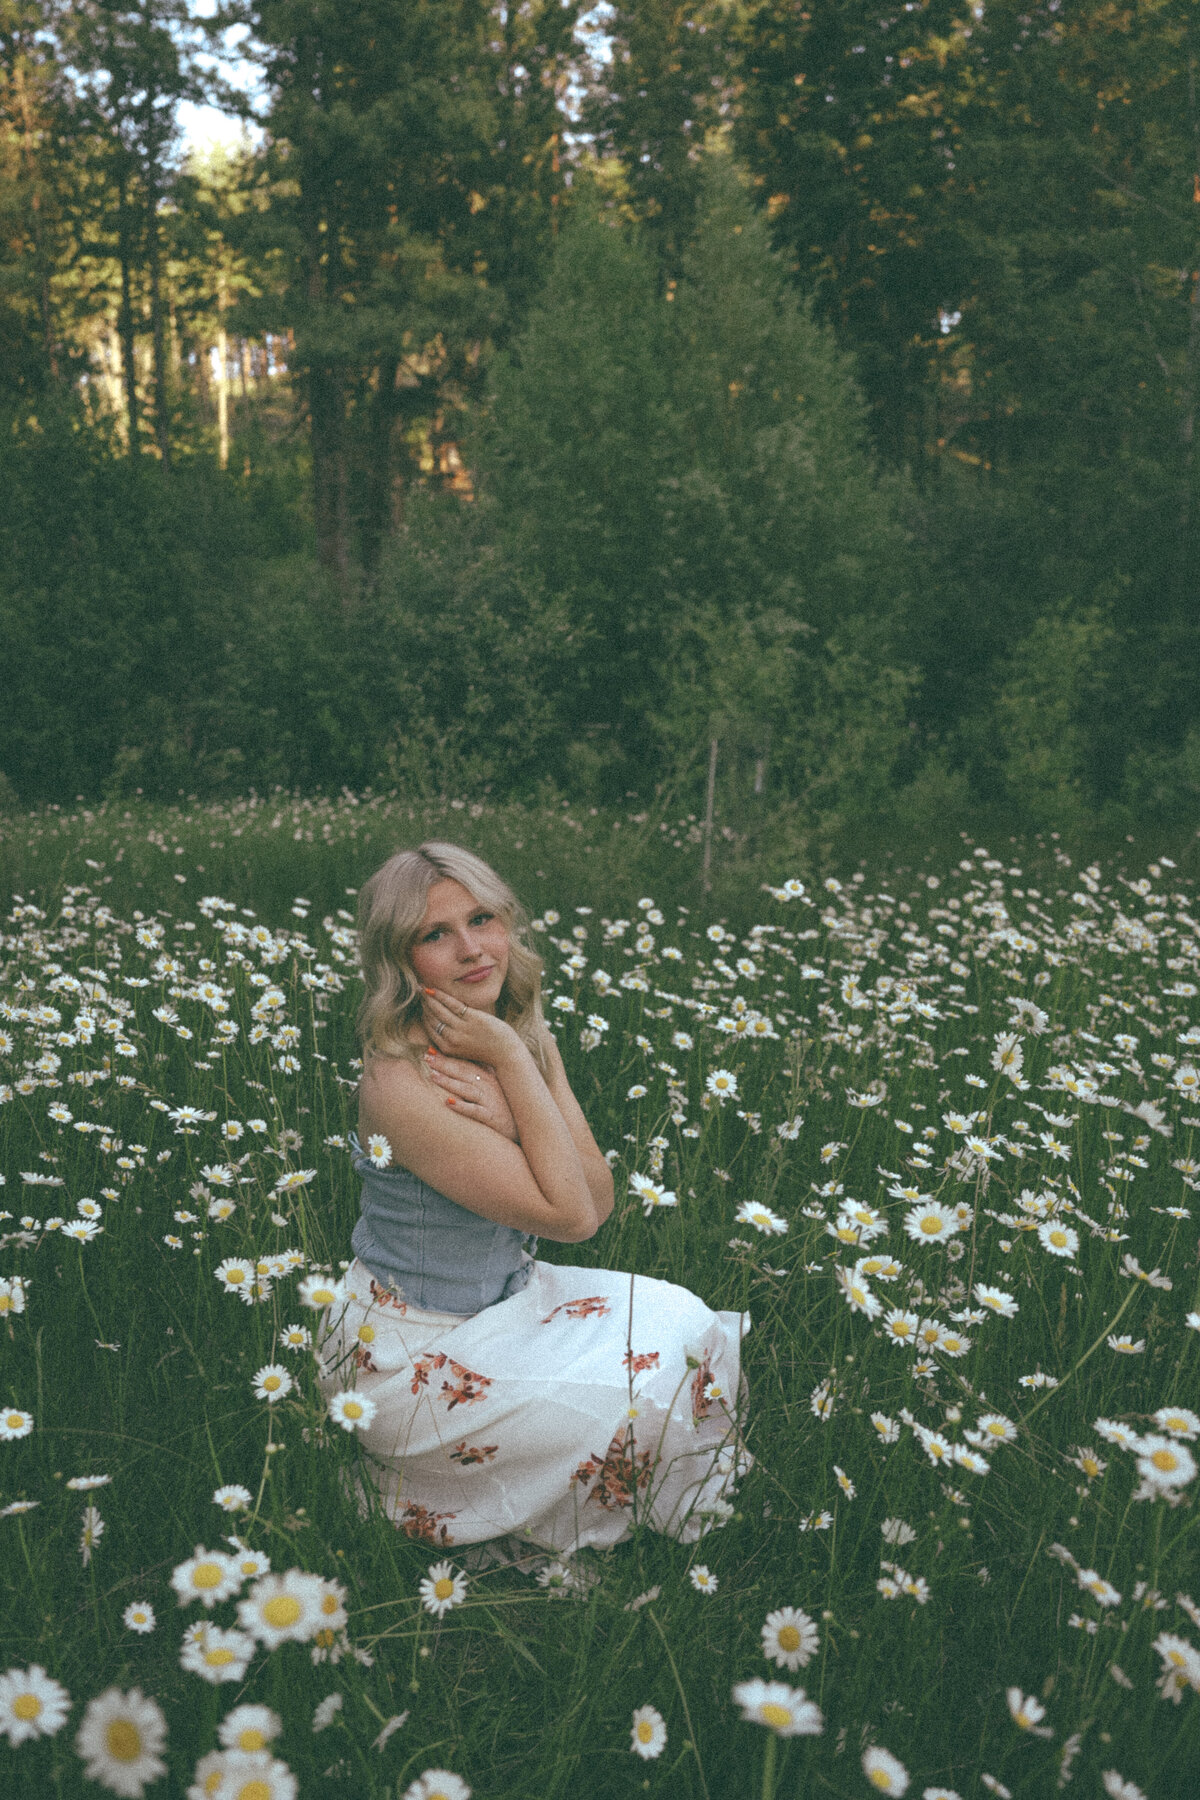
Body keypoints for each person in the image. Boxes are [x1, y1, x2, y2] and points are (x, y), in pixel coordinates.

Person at [317, 842, 750, 1555]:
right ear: (401, 961)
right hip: (411, 1353)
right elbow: (572, 1218)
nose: (470, 949)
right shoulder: (400, 1082)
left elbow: (600, 1195)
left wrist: (516, 1076)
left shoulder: (516, 1033)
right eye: (435, 934)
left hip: (510, 1302)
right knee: (631, 1401)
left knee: (687, 1322)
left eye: (482, 919)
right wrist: (518, 1071)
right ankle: (411, 1484)